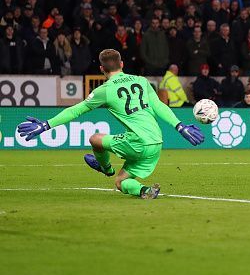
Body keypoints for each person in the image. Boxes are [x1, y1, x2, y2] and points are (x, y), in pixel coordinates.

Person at [16, 49, 204, 200]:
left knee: (95, 139)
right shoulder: (141, 81)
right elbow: (159, 106)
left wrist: (46, 125)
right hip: (156, 142)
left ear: (101, 69)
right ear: (122, 64)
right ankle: (144, 190)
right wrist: (180, 126)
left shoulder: (104, 90)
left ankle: (105, 168)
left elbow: (75, 110)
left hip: (137, 143)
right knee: (121, 182)